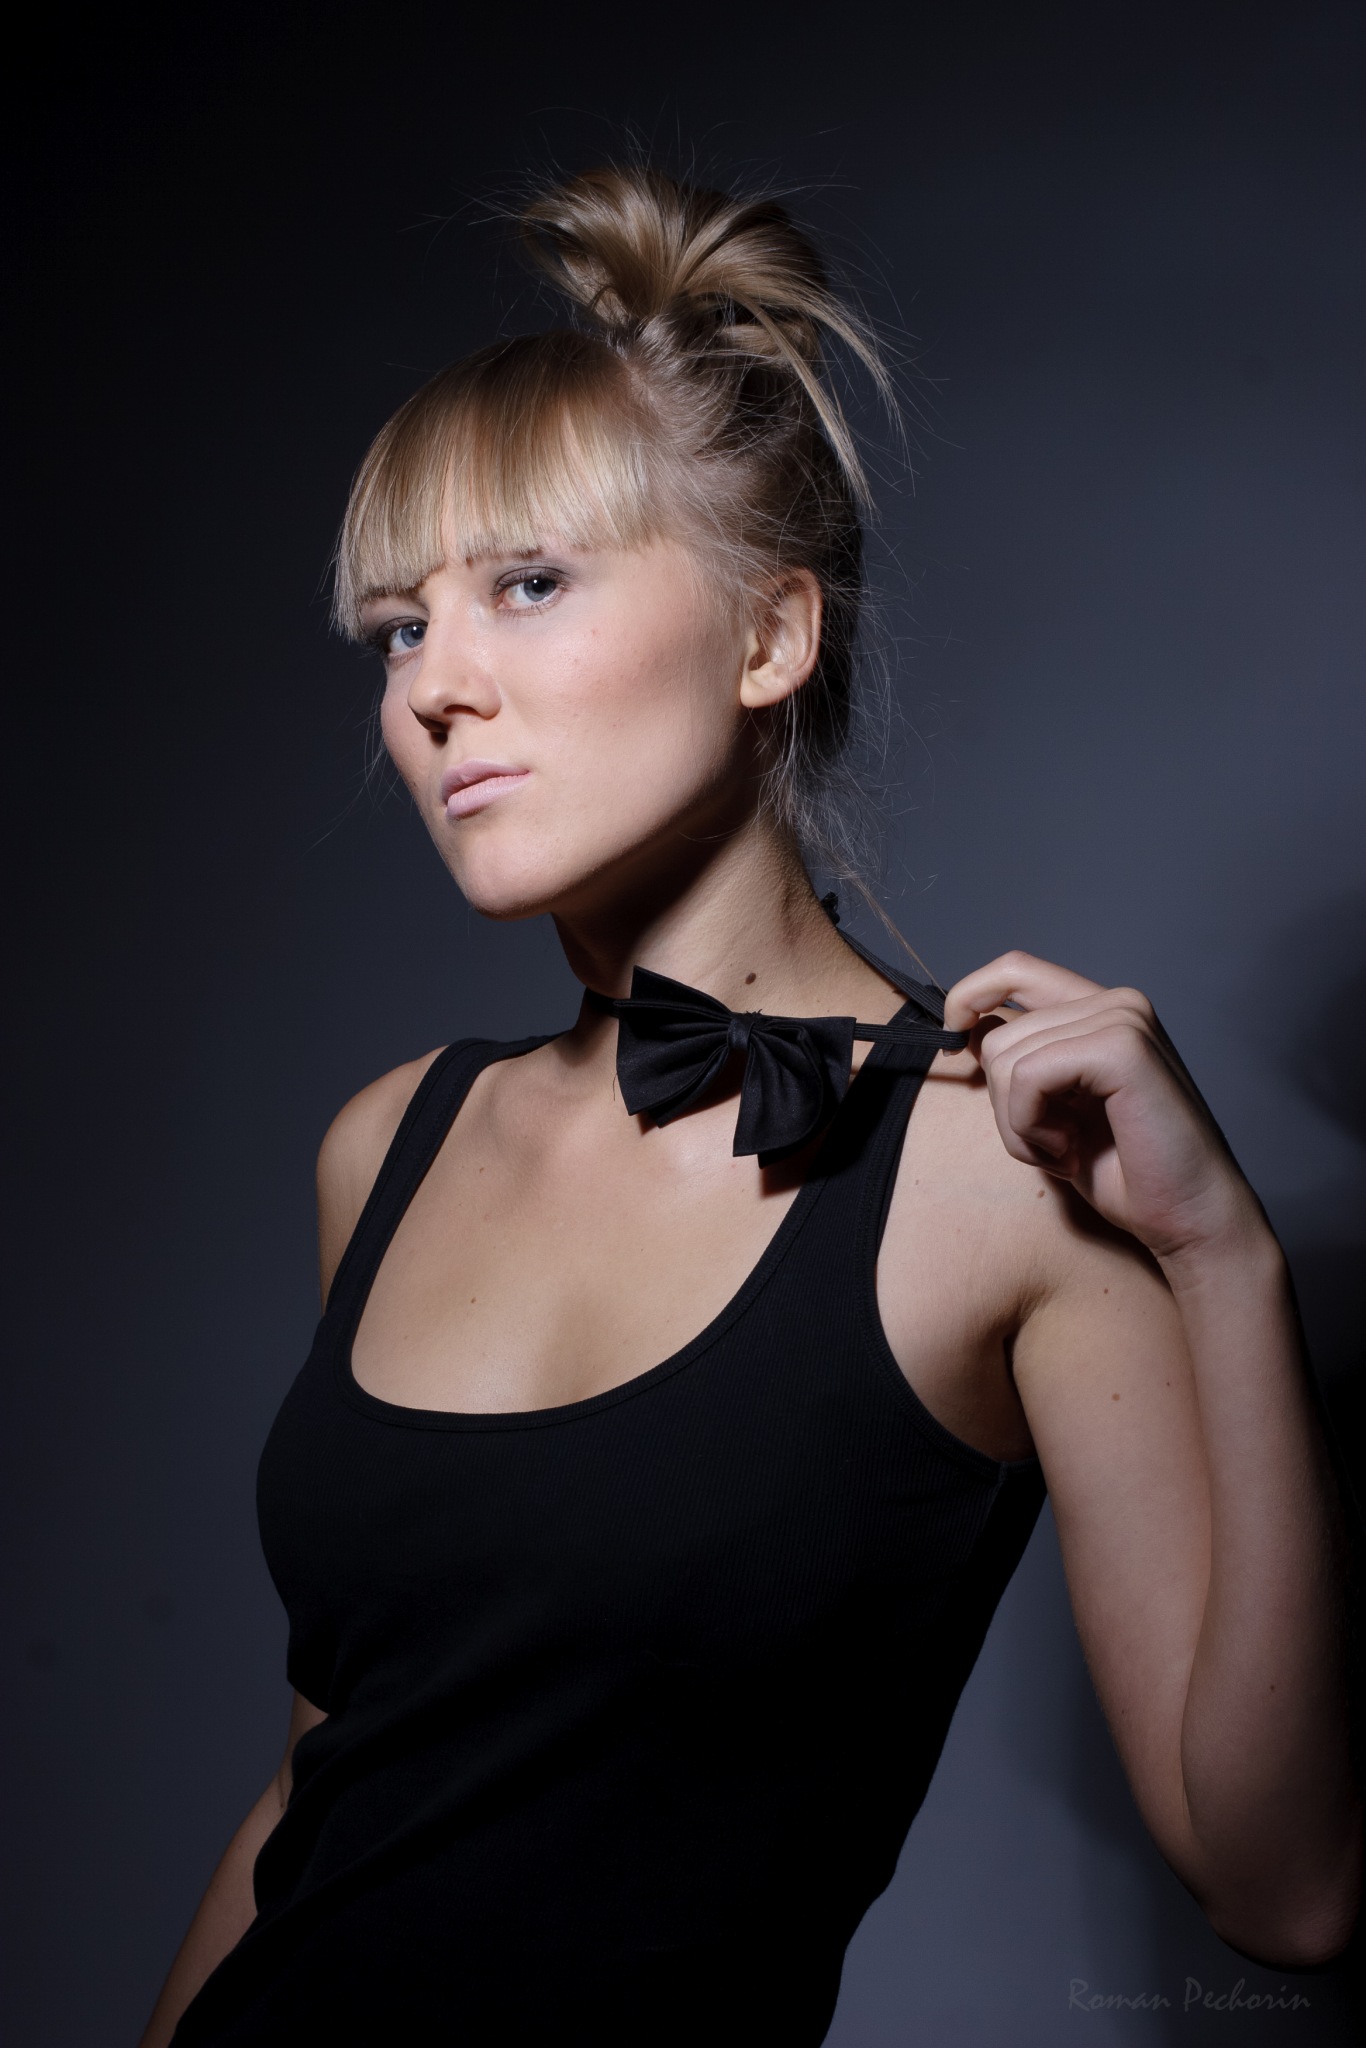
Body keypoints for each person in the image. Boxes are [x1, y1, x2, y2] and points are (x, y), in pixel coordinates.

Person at [141, 164, 1361, 2047]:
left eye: (526, 586)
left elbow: (1284, 1888)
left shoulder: (1005, 1173)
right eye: (397, 627)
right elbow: (325, 1790)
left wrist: (1226, 1265)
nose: (436, 689)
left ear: (768, 637)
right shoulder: (384, 1147)